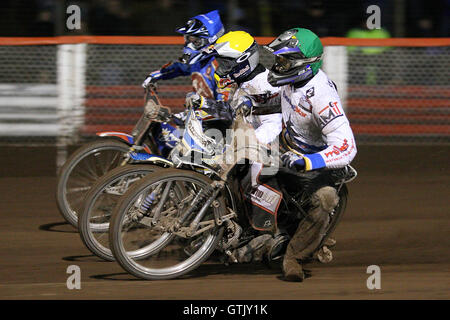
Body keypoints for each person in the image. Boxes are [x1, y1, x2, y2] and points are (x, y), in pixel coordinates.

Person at [263, 27, 357, 281]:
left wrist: (307, 161)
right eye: (278, 60)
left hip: (311, 163)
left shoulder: (323, 96)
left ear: (303, 64)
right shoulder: (291, 81)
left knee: (325, 200)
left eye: (283, 61)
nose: (277, 66)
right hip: (284, 145)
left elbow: (347, 144)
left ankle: (294, 257)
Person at [142, 10, 225, 100]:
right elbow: (180, 67)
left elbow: (225, 109)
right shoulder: (198, 63)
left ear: (212, 40)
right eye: (188, 39)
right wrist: (156, 75)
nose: (189, 45)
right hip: (201, 111)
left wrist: (183, 114)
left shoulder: (223, 67)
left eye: (195, 41)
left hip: (215, 112)